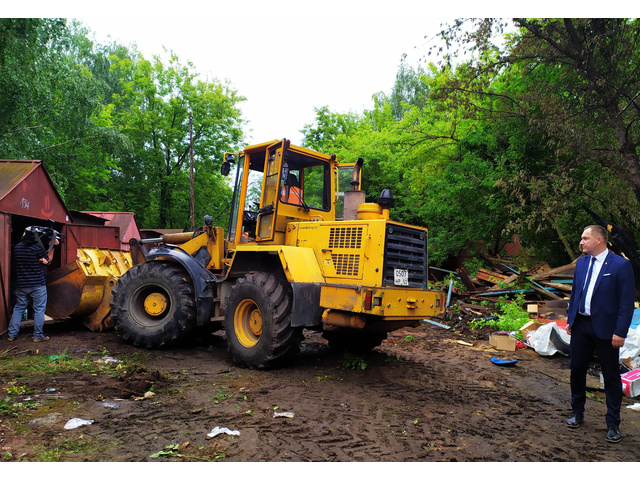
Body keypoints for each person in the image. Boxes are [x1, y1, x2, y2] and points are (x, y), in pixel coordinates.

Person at [566, 225, 635, 443]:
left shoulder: (620, 265)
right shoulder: (582, 263)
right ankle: (577, 412)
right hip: (581, 326)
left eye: (585, 238)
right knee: (577, 370)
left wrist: (620, 331)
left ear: (599, 240)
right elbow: (575, 291)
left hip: (606, 330)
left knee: (611, 377)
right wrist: (570, 320)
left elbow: (626, 303)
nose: (581, 242)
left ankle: (613, 423)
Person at [7, 227, 59, 342]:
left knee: (19, 308)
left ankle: (12, 334)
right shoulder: (37, 249)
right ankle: (38, 336)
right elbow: (48, 261)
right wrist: (52, 246)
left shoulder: (17, 248)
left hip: (22, 285)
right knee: (39, 310)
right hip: (37, 285)